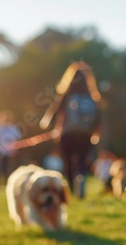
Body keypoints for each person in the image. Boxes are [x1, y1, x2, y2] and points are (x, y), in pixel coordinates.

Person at [39, 61, 103, 199]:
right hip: (86, 135)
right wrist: (95, 132)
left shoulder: (67, 94)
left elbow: (56, 109)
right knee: (81, 162)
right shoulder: (92, 96)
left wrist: (47, 121)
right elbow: (98, 116)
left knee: (68, 162)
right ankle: (81, 184)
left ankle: (72, 190)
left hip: (68, 133)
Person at [0, 110, 21, 188]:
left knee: (7, 169)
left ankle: (5, 184)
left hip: (9, 153)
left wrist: (15, 150)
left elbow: (17, 140)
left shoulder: (14, 129)